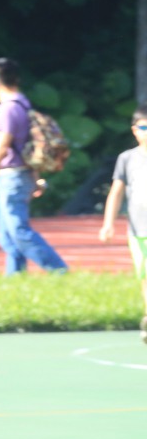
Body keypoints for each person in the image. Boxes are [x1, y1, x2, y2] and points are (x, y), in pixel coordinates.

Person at [0, 58, 67, 275]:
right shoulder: (23, 104)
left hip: (10, 177)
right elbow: (26, 146)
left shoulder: (7, 109)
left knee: (18, 230)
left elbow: (2, 145)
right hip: (19, 175)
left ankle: (58, 271)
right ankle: (14, 277)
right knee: (7, 236)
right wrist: (35, 176)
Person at [98, 103, 147, 343]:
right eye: (144, 127)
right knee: (144, 277)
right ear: (134, 130)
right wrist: (108, 223)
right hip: (138, 230)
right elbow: (116, 192)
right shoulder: (127, 159)